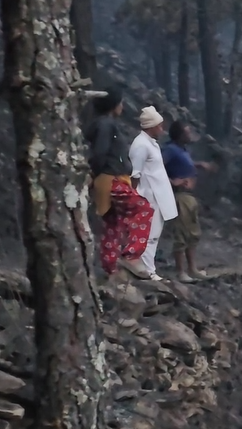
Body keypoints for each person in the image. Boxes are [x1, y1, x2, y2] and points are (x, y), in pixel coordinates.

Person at [85, 89, 153, 279]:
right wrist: (93, 171)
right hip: (110, 177)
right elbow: (100, 152)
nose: (122, 107)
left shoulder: (101, 124)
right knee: (143, 209)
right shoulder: (106, 124)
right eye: (120, 103)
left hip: (108, 179)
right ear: (113, 105)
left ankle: (110, 268)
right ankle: (131, 256)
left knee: (113, 223)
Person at [129, 106, 179, 282]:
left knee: (154, 233)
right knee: (149, 234)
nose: (162, 129)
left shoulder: (151, 143)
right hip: (148, 196)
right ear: (151, 126)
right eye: (159, 126)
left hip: (157, 194)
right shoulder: (140, 145)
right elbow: (135, 173)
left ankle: (149, 268)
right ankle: (148, 271)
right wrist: (134, 196)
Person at [162, 120, 214, 284]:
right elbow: (156, 167)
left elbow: (184, 165)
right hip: (180, 196)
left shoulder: (183, 150)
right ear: (179, 134)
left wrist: (198, 165)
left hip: (189, 196)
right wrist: (172, 181)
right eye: (187, 131)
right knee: (182, 234)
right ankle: (180, 271)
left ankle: (192, 268)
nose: (190, 134)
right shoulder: (170, 149)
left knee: (192, 233)